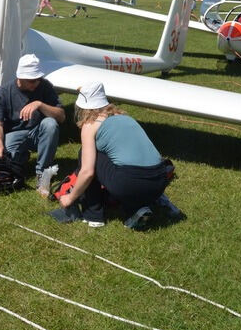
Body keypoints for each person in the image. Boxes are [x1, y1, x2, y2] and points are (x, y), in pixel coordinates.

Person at [57, 81, 182, 229]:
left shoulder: (90, 125)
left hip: (130, 182)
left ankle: (94, 216)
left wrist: (70, 198)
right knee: (125, 169)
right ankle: (137, 208)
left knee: (85, 154)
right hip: (159, 181)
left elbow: (87, 172)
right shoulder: (126, 117)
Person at [0, 54, 65, 178]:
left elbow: (61, 116)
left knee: (50, 124)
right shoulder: (3, 93)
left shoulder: (44, 86)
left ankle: (43, 173)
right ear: (20, 77)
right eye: (32, 80)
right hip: (14, 134)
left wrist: (40, 105)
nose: (36, 83)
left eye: (38, 79)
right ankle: (21, 157)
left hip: (38, 131)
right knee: (8, 164)